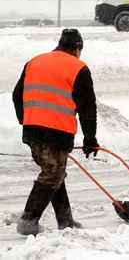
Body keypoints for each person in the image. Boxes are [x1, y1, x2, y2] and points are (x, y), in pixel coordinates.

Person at [12, 28, 100, 236]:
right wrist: (90, 138)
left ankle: (65, 220)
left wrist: (26, 120)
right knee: (52, 175)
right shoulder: (79, 68)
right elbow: (87, 107)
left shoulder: (35, 61)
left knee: (53, 173)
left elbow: (17, 95)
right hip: (56, 131)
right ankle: (28, 220)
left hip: (32, 130)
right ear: (77, 49)